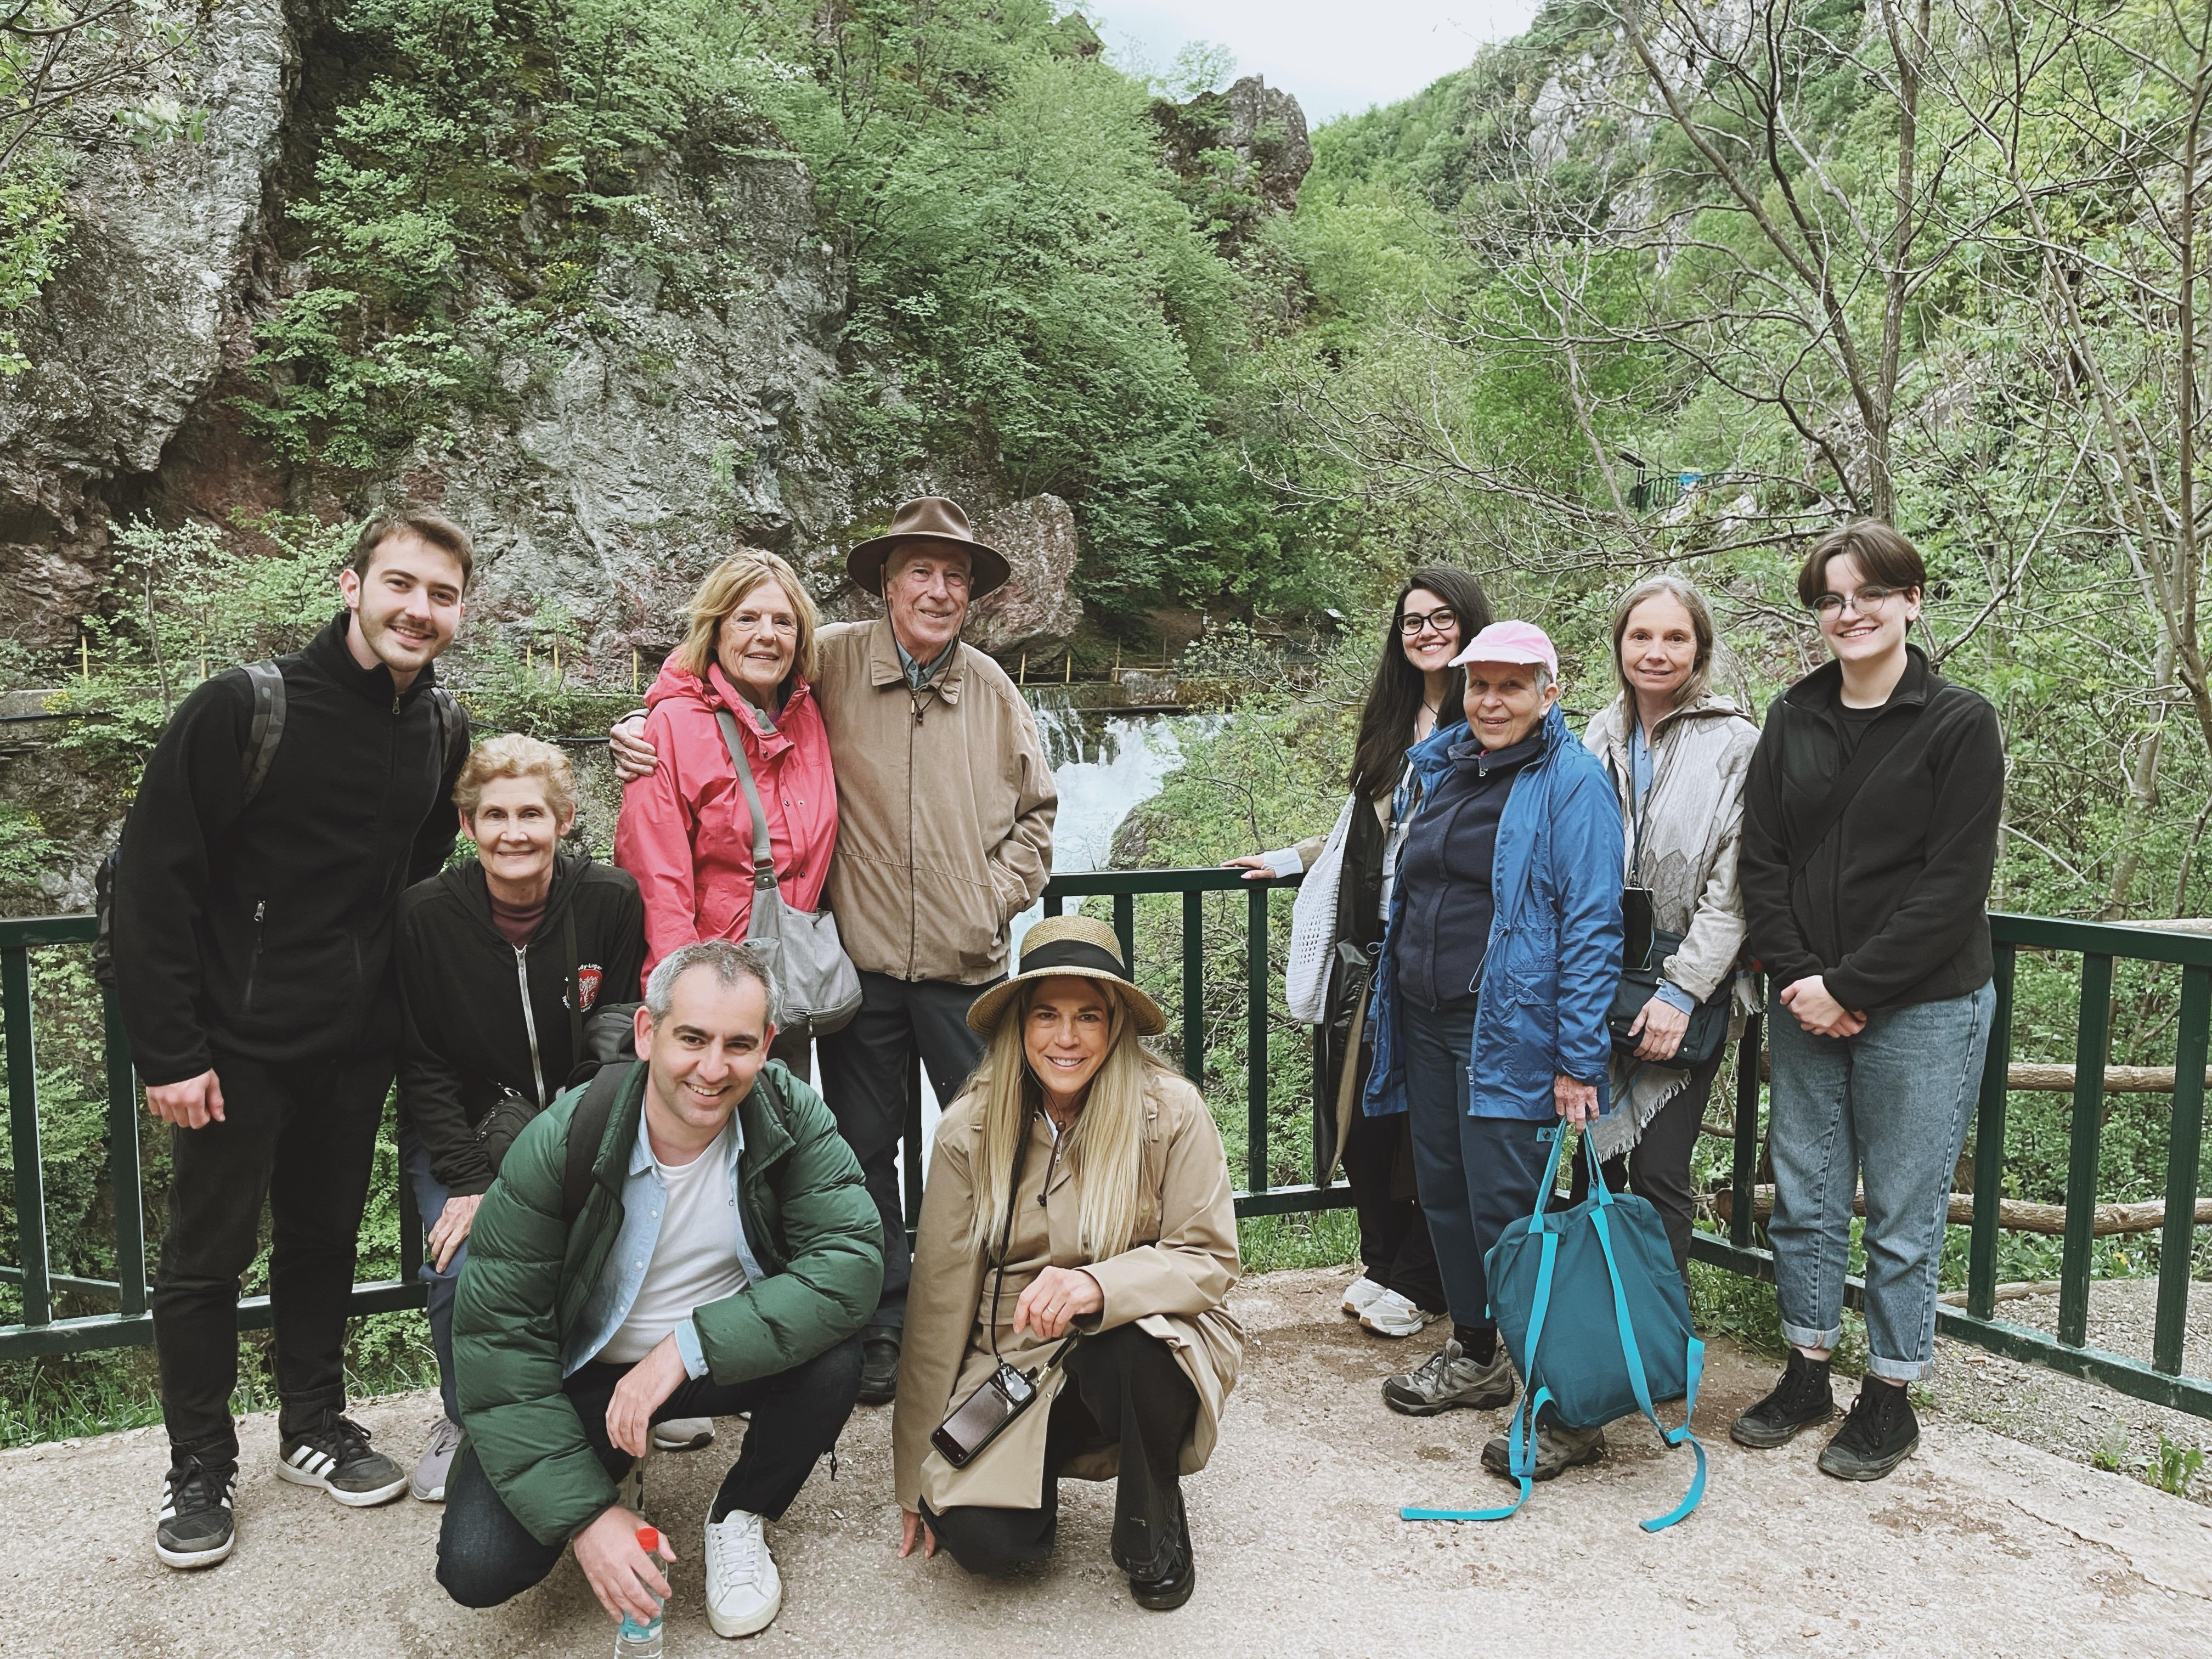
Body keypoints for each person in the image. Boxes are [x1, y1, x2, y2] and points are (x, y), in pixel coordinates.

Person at [610, 496, 1057, 1406]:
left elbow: (1038, 817)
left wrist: (989, 900)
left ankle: (994, 1310)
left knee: (993, 1142)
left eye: (955, 577)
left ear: (969, 596)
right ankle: (884, 1319)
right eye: (920, 572)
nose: (937, 590)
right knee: (864, 1150)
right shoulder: (835, 664)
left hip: (966, 969)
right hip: (857, 969)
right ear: (887, 584)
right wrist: (646, 722)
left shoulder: (993, 690)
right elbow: (720, 678)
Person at [110, 510, 473, 1571]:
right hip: (234, 1039)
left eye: (441, 594)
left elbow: (416, 877)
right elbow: (154, 882)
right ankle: (198, 1464)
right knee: (207, 1257)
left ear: (460, 611)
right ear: (350, 582)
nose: (418, 609)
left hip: (354, 1040)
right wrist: (170, 1050)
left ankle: (313, 1423)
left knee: (319, 1239)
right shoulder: (244, 707)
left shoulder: (438, 729)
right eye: (400, 584)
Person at [436, 940, 883, 1639]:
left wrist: (687, 1345)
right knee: (477, 1565)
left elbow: (851, 1262)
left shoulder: (789, 1115)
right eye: (692, 1039)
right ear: (648, 1034)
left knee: (835, 1361)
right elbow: (500, 1346)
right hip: (589, 1373)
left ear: (768, 1045)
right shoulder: (564, 1142)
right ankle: (611, 1472)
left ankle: (740, 1515)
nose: (713, 1069)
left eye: (739, 1044)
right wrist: (588, 1519)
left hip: (713, 1360)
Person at [1731, 521, 2003, 1482]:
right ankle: (1806, 1367)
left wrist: (1848, 985)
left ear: (1911, 600)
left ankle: (1887, 1394)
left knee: (1900, 1208)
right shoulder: (1790, 715)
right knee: (1803, 1197)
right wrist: (1805, 977)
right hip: (1805, 996)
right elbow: (1758, 858)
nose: (1847, 613)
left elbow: (1951, 881)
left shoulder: (1958, 720)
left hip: (1924, 1005)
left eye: (1867, 594)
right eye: (1830, 599)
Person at [891, 917, 1240, 1612]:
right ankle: (1031, 1478)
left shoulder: (1169, 1111)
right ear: (1020, 1024)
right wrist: (915, 1479)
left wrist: (1096, 1284)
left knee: (1135, 1350)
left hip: (1148, 1335)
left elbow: (1208, 1257)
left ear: (1115, 1027)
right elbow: (937, 1303)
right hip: (1018, 1360)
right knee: (983, 1543)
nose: (1067, 1038)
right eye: (1047, 1015)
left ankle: (1152, 1521)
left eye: (1089, 1015)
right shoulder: (971, 1129)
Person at [1361, 621, 1624, 1482]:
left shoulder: (1572, 783)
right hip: (1428, 1019)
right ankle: (1477, 1355)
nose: (1491, 702)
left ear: (1550, 693)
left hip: (1506, 1029)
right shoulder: (1446, 768)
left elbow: (1592, 925)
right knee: (1445, 1195)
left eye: (1512, 687)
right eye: (1479, 686)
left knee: (1514, 1214)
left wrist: (1580, 1060)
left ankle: (1566, 1407)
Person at [1223, 568, 1494, 1339]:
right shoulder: (1392, 718)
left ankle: (1423, 1278)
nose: (1427, 632)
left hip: (1446, 956)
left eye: (1443, 619)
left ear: (1471, 625)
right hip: (1371, 956)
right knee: (1365, 1116)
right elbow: (1362, 831)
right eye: (1413, 622)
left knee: (1430, 1126)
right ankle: (1383, 1260)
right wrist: (1288, 859)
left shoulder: (1490, 713)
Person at [394, 733, 657, 1504]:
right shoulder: (427, 916)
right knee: (462, 1262)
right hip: (466, 1128)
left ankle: (627, 1388)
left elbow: (620, 1032)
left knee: (622, 1233)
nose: (515, 832)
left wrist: (577, 1139)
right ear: (469, 827)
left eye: (533, 814)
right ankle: (465, 1416)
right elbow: (423, 1063)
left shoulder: (610, 899)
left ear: (565, 819)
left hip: (583, 1112)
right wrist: (471, 1181)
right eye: (496, 815)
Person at [1573, 574, 1760, 1274]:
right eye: (1641, 635)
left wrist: (1681, 992)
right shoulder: (1600, 733)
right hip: (1599, 975)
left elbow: (1735, 889)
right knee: (1593, 1167)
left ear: (1700, 649)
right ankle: (1591, 1336)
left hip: (1689, 979)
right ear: (1619, 643)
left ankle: (1658, 1344)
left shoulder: (1737, 743)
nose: (1656, 651)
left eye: (1675, 637)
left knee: (1658, 1170)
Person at [614, 547, 836, 1084]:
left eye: (783, 621)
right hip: (709, 999)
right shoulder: (670, 728)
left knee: (781, 1148)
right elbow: (657, 881)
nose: (767, 634)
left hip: (789, 991)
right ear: (715, 630)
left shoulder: (809, 713)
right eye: (747, 618)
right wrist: (694, 1001)